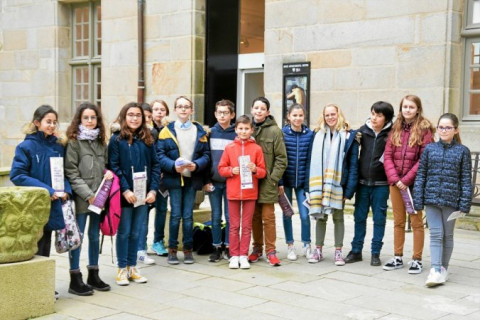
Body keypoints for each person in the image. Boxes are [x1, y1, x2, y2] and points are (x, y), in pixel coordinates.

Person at [10, 104, 72, 299]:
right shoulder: (25, 147)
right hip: (34, 206)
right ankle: (30, 288)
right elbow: (18, 175)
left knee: (45, 247)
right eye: (48, 122)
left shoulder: (57, 146)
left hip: (53, 205)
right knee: (33, 247)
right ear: (37, 123)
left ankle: (44, 286)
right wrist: (47, 190)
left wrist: (66, 191)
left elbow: (63, 173)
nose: (52, 125)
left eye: (54, 122)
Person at [413, 113, 472, 287]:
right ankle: (435, 270)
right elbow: (421, 174)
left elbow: (465, 179)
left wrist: (464, 204)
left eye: (448, 127)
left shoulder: (462, 151)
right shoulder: (430, 149)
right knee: (436, 234)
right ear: (437, 129)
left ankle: (443, 268)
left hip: (451, 201)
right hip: (431, 199)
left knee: (448, 236)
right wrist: (418, 199)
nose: (444, 130)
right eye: (441, 127)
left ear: (456, 130)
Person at [108, 102, 160, 286]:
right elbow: (113, 167)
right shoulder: (116, 140)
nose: (134, 118)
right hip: (124, 195)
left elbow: (155, 165)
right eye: (130, 115)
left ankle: (132, 267)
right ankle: (122, 268)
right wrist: (125, 190)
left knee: (136, 232)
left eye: (138, 115)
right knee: (124, 232)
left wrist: (153, 189)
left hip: (143, 194)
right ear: (124, 117)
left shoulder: (148, 139)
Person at [382, 95, 434, 274]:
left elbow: (424, 158)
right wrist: (396, 179)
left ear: (418, 109)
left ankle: (417, 259)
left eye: (412, 107)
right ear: (401, 109)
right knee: (398, 221)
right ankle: (397, 256)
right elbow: (387, 155)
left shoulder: (425, 130)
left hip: (414, 184)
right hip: (395, 183)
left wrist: (406, 180)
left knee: (416, 221)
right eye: (405, 106)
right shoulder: (395, 128)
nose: (408, 110)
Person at [64, 102, 112, 295]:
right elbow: (71, 172)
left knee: (94, 236)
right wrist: (88, 195)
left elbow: (105, 166)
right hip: (82, 199)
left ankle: (94, 273)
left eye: (93, 118)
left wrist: (108, 174)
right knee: (78, 237)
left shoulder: (101, 142)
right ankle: (75, 278)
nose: (90, 121)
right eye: (86, 118)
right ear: (79, 120)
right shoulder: (74, 142)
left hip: (99, 200)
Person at [157, 96, 210, 265]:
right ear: (175, 110)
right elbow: (160, 155)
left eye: (186, 106)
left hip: (191, 178)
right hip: (175, 179)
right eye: (180, 106)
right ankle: (172, 249)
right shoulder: (166, 131)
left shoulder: (199, 131)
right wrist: (173, 165)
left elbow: (206, 155)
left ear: (191, 110)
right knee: (175, 215)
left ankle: (188, 250)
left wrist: (197, 165)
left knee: (188, 216)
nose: (183, 109)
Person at [305, 104, 359, 265]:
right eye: (327, 115)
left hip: (338, 184)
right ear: (323, 116)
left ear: (339, 114)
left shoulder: (349, 136)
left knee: (338, 218)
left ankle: (338, 252)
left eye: (333, 114)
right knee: (320, 217)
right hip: (319, 183)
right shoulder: (317, 135)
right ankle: (318, 250)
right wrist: (309, 188)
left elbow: (353, 164)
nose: (330, 117)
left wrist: (348, 191)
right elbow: (309, 160)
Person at [345, 101, 394, 266]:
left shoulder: (392, 134)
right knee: (359, 217)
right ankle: (356, 250)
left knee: (379, 219)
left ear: (386, 118)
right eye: (373, 113)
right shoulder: (363, 131)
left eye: (379, 115)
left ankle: (375, 252)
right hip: (362, 183)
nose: (374, 118)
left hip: (381, 184)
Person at [218, 115, 266, 269]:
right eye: (240, 128)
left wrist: (255, 170)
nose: (244, 131)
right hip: (233, 192)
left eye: (247, 129)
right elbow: (221, 168)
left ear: (252, 130)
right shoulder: (229, 148)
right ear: (236, 129)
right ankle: (234, 255)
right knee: (233, 225)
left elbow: (263, 172)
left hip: (250, 193)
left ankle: (243, 255)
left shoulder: (257, 149)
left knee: (246, 226)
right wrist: (231, 170)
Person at [248, 97, 287, 266]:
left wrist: (273, 178)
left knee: (268, 218)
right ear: (251, 110)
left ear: (268, 112)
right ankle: (257, 248)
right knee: (254, 217)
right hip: (249, 181)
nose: (259, 111)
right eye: (256, 107)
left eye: (262, 108)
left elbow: (281, 158)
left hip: (267, 181)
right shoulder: (246, 129)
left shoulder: (275, 131)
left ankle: (271, 251)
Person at [278, 104, 314, 261]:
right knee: (287, 214)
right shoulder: (282, 134)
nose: (297, 118)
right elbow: (277, 159)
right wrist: (279, 181)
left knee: (305, 215)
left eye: (300, 115)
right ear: (289, 117)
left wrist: (308, 185)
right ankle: (290, 245)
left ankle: (307, 244)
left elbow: (311, 160)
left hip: (302, 184)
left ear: (304, 116)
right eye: (294, 115)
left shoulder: (310, 134)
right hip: (285, 182)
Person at [204, 99, 236, 262]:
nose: (222, 115)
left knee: (230, 217)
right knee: (216, 215)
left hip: (231, 182)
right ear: (215, 114)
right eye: (219, 112)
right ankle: (217, 246)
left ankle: (229, 246)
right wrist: (206, 180)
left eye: (225, 112)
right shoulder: (210, 133)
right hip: (214, 182)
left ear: (232, 114)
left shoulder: (236, 134)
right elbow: (205, 158)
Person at [149, 99, 170, 256]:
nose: (159, 112)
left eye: (162, 109)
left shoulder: (169, 130)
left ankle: (158, 241)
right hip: (148, 176)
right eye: (156, 109)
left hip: (163, 177)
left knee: (161, 209)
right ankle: (140, 241)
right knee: (144, 210)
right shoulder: (145, 129)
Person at [136, 103, 157, 265]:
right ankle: (132, 251)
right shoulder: (120, 136)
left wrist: (153, 187)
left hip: (146, 182)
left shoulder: (151, 136)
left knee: (144, 219)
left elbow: (155, 162)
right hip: (129, 184)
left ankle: (141, 249)